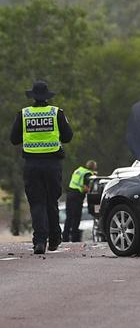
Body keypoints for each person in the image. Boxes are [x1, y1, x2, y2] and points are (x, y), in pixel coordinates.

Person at [10, 81, 73, 254]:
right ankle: (54, 239)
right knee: (51, 201)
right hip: (52, 164)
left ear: (32, 96)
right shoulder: (56, 113)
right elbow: (68, 137)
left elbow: (14, 139)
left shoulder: (23, 114)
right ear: (47, 97)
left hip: (32, 164)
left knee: (37, 203)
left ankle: (39, 241)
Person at [63, 160, 97, 242]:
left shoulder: (78, 170)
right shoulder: (88, 174)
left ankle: (65, 237)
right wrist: (90, 190)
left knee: (69, 217)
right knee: (76, 217)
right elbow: (85, 187)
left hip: (70, 194)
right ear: (93, 167)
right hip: (77, 196)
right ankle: (74, 238)